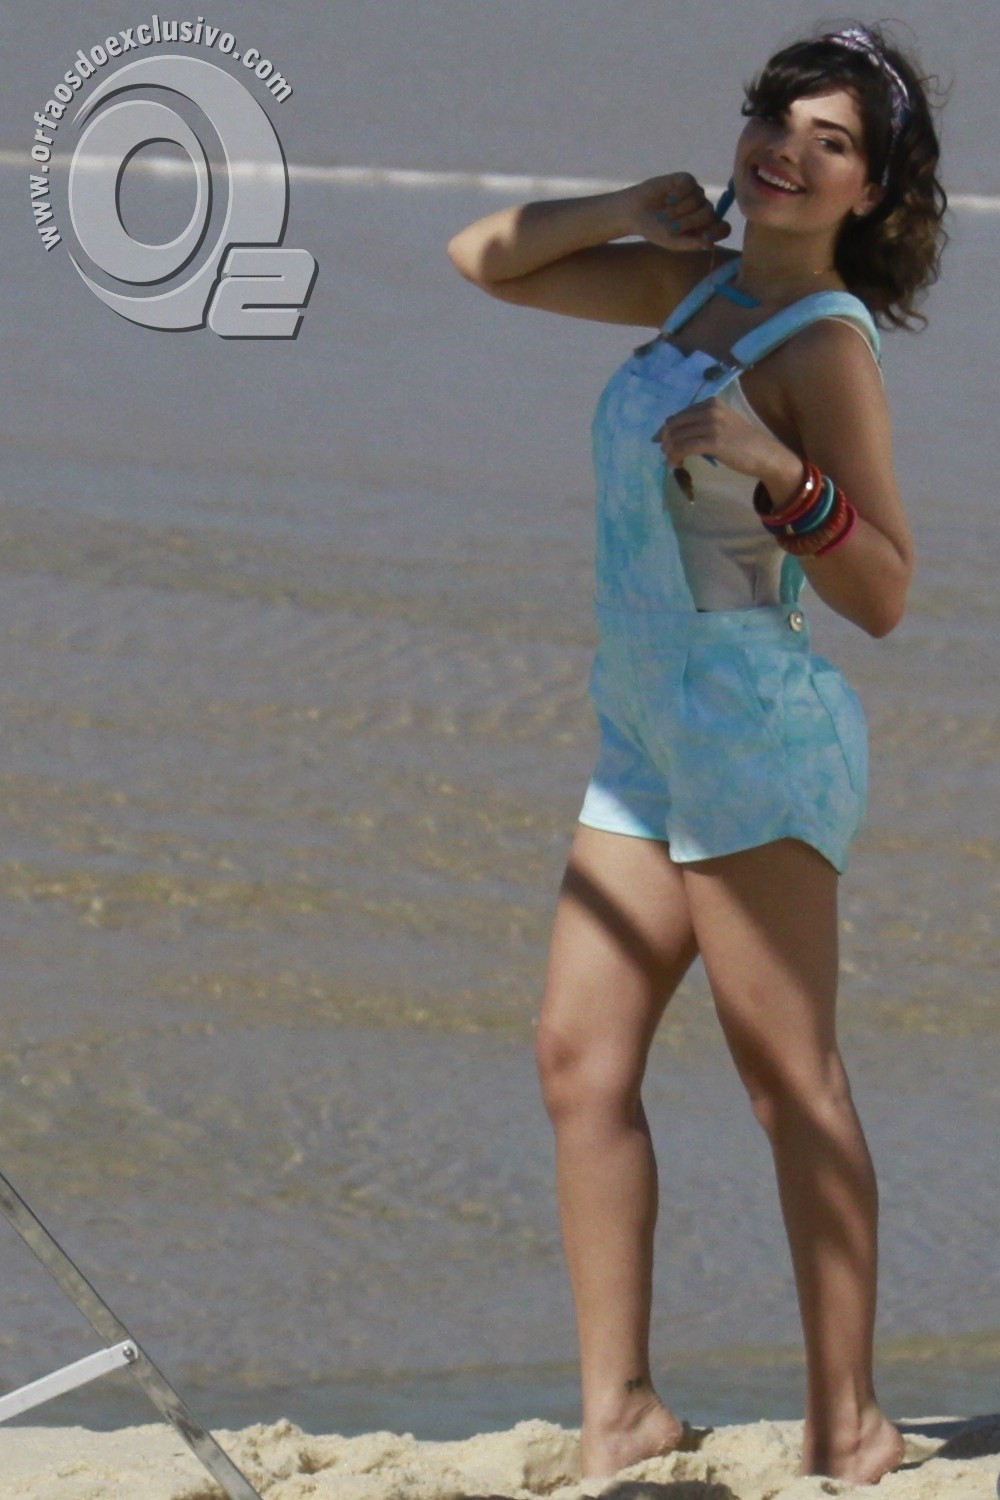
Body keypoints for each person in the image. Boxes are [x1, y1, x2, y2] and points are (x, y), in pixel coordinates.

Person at [446, 22, 946, 1487]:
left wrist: (781, 472)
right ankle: (622, 1413)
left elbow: (886, 592)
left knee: (790, 1082)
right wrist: (627, 206)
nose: (789, 151)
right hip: (645, 729)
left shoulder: (824, 344)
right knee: (577, 1059)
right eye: (775, 121)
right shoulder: (700, 285)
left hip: (751, 735)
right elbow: (484, 259)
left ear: (869, 190)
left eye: (831, 142)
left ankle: (849, 1423)